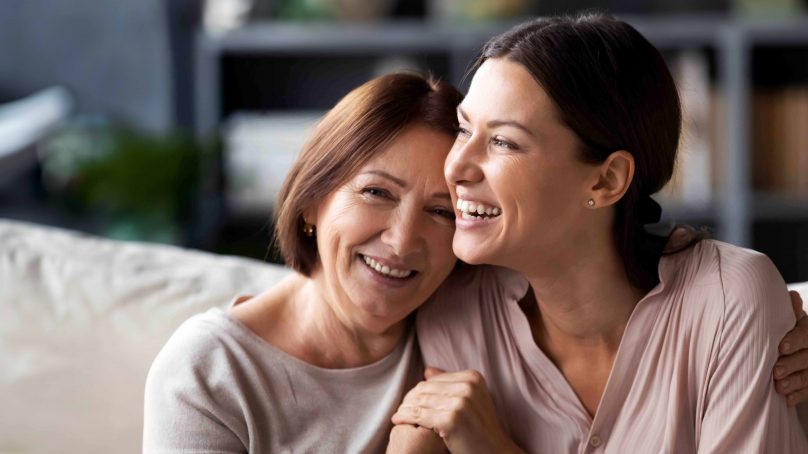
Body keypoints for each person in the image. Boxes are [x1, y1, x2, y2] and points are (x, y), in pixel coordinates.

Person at [391, 14, 808, 452]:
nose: (455, 167)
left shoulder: (726, 302)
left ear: (606, 180)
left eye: (504, 142)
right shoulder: (457, 313)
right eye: (463, 129)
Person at [143, 72, 462, 452]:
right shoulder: (209, 371)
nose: (403, 239)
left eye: (443, 212)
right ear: (312, 201)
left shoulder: (475, 332)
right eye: (376, 192)